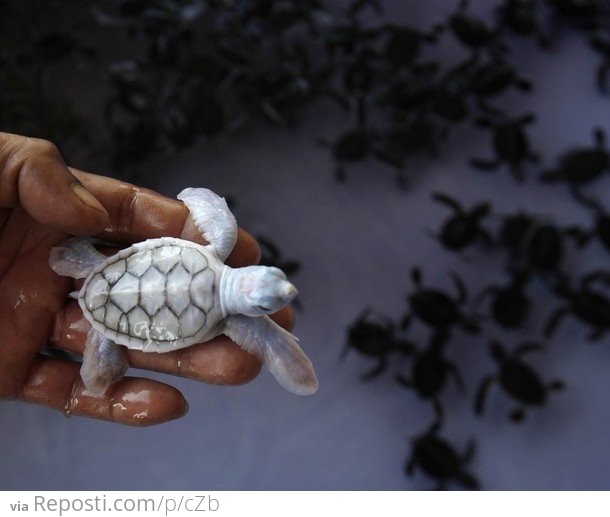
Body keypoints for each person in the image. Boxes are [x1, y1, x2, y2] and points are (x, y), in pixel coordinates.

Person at [0, 131, 295, 426]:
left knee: (102, 370)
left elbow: (201, 199)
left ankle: (99, 323)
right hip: (118, 308)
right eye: (276, 281)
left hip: (106, 270)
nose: (288, 288)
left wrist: (195, 197)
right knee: (101, 371)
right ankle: (103, 344)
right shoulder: (235, 319)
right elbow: (272, 342)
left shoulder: (219, 248)